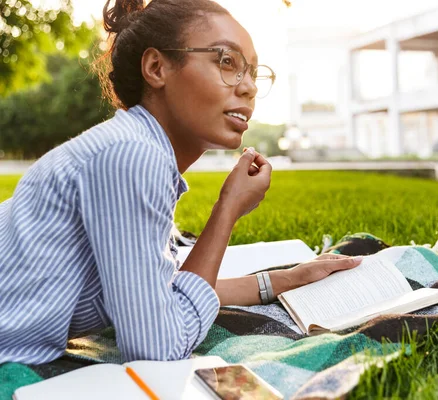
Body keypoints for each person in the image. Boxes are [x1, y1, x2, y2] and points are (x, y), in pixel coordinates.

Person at [0, 0, 363, 365]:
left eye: (252, 72)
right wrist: (227, 210)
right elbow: (158, 347)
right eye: (226, 62)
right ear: (157, 68)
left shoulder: (136, 149)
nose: (249, 87)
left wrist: (286, 280)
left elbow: (160, 292)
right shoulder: (130, 156)